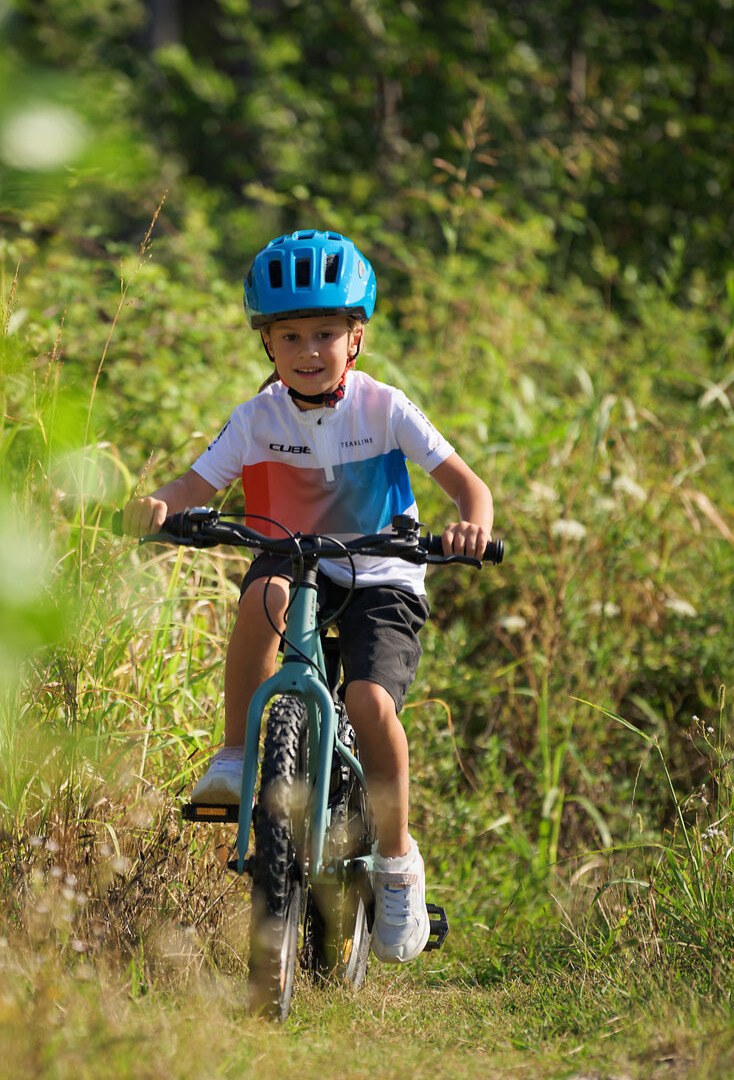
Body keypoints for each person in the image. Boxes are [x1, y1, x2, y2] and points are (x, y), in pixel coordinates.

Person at [121, 230, 495, 964]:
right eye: (289, 334)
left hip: (383, 572)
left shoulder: (386, 408)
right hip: (296, 563)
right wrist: (157, 508)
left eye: (326, 332)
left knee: (369, 703)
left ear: (356, 337)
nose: (309, 348)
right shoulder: (258, 419)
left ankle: (396, 868)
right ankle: (236, 754)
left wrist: (470, 529)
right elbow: (194, 487)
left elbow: (468, 486)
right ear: (268, 344)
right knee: (261, 592)